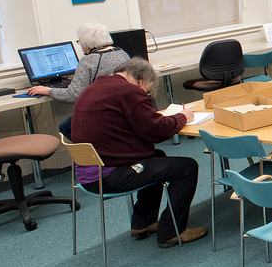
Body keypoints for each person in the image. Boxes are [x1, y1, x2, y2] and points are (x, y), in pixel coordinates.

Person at [71, 58, 205, 248]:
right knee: (187, 167)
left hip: (89, 171)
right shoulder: (129, 91)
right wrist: (181, 117)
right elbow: (156, 132)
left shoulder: (95, 88)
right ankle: (172, 231)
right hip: (108, 175)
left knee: (156, 158)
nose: (146, 95)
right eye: (147, 91)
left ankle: (144, 222)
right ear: (142, 81)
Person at [27, 22, 130, 138]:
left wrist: (47, 91)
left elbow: (73, 95)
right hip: (122, 108)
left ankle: (91, 151)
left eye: (80, 42)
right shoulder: (122, 53)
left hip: (101, 111)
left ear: (86, 43)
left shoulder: (88, 61)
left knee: (65, 129)